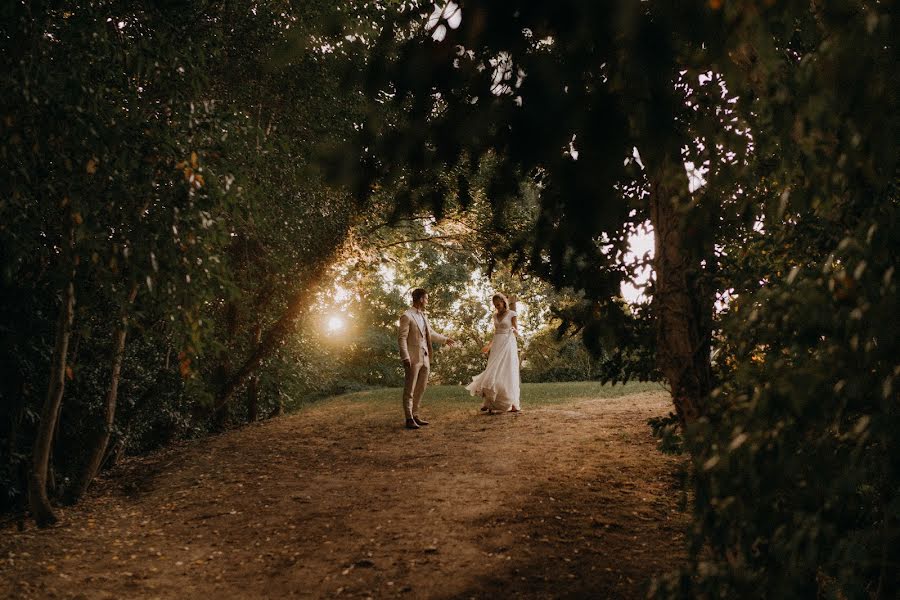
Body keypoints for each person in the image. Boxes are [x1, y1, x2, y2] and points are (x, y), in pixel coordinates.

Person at [398, 288, 456, 430]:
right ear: (420, 299)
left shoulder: (423, 316)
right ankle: (409, 418)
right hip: (412, 358)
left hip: (425, 357)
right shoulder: (407, 316)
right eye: (427, 298)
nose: (427, 301)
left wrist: (445, 339)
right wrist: (405, 356)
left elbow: (430, 333)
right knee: (410, 388)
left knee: (421, 388)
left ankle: (415, 414)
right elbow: (402, 338)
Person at [465, 293, 521, 413]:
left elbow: (517, 331)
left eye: (498, 304)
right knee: (492, 371)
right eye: (495, 305)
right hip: (497, 344)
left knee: (508, 371)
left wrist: (513, 330)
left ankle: (513, 403)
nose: (497, 307)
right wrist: (489, 346)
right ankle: (489, 402)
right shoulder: (495, 316)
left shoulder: (512, 314)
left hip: (508, 344)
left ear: (503, 301)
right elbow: (496, 333)